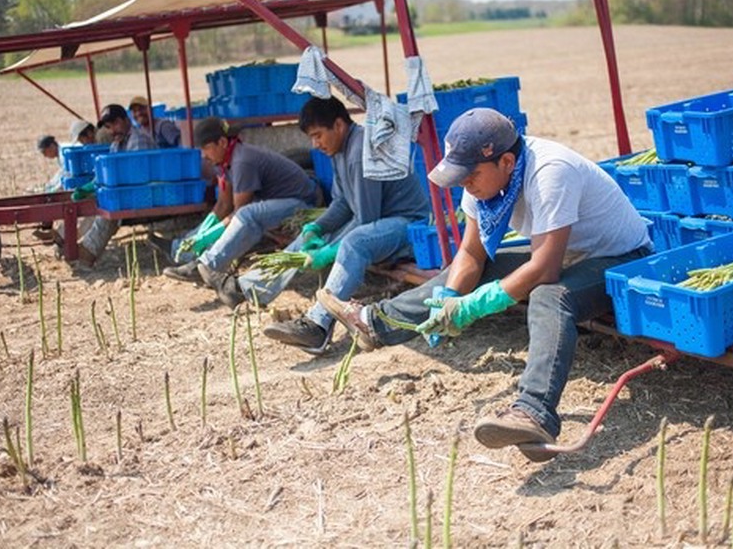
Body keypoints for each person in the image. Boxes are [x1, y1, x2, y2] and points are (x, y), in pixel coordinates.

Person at [317, 108, 654, 463]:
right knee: (480, 268)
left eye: (471, 175)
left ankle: (534, 412)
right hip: (569, 251)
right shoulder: (481, 184)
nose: (466, 184)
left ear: (507, 162)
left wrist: (476, 305)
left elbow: (544, 269)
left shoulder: (550, 172)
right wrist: (448, 298)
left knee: (549, 297)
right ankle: (375, 322)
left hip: (621, 259)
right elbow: (472, 253)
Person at [216, 96, 429, 354]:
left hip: (407, 226)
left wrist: (328, 251)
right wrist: (316, 228)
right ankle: (253, 287)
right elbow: (342, 203)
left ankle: (317, 325)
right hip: (379, 224)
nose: (315, 145)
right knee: (312, 238)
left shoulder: (360, 152)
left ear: (339, 125)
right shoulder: (341, 150)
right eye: (312, 138)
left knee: (354, 241)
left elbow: (365, 219)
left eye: (318, 135)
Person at [156, 116, 323, 284]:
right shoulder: (224, 161)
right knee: (241, 217)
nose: (203, 155)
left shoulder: (243, 161)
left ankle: (207, 266)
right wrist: (202, 233)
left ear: (222, 142)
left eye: (206, 148)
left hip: (302, 203)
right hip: (278, 203)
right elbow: (223, 204)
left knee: (248, 216)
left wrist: (208, 236)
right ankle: (182, 251)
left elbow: (238, 213)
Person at [72, 104, 157, 267]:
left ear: (126, 120)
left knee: (112, 208)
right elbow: (107, 172)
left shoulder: (138, 140)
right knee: (99, 201)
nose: (112, 131)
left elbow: (137, 177)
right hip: (130, 192)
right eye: (109, 127)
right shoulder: (117, 143)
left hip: (146, 193)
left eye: (115, 124)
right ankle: (80, 244)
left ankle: (87, 254)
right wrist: (91, 187)